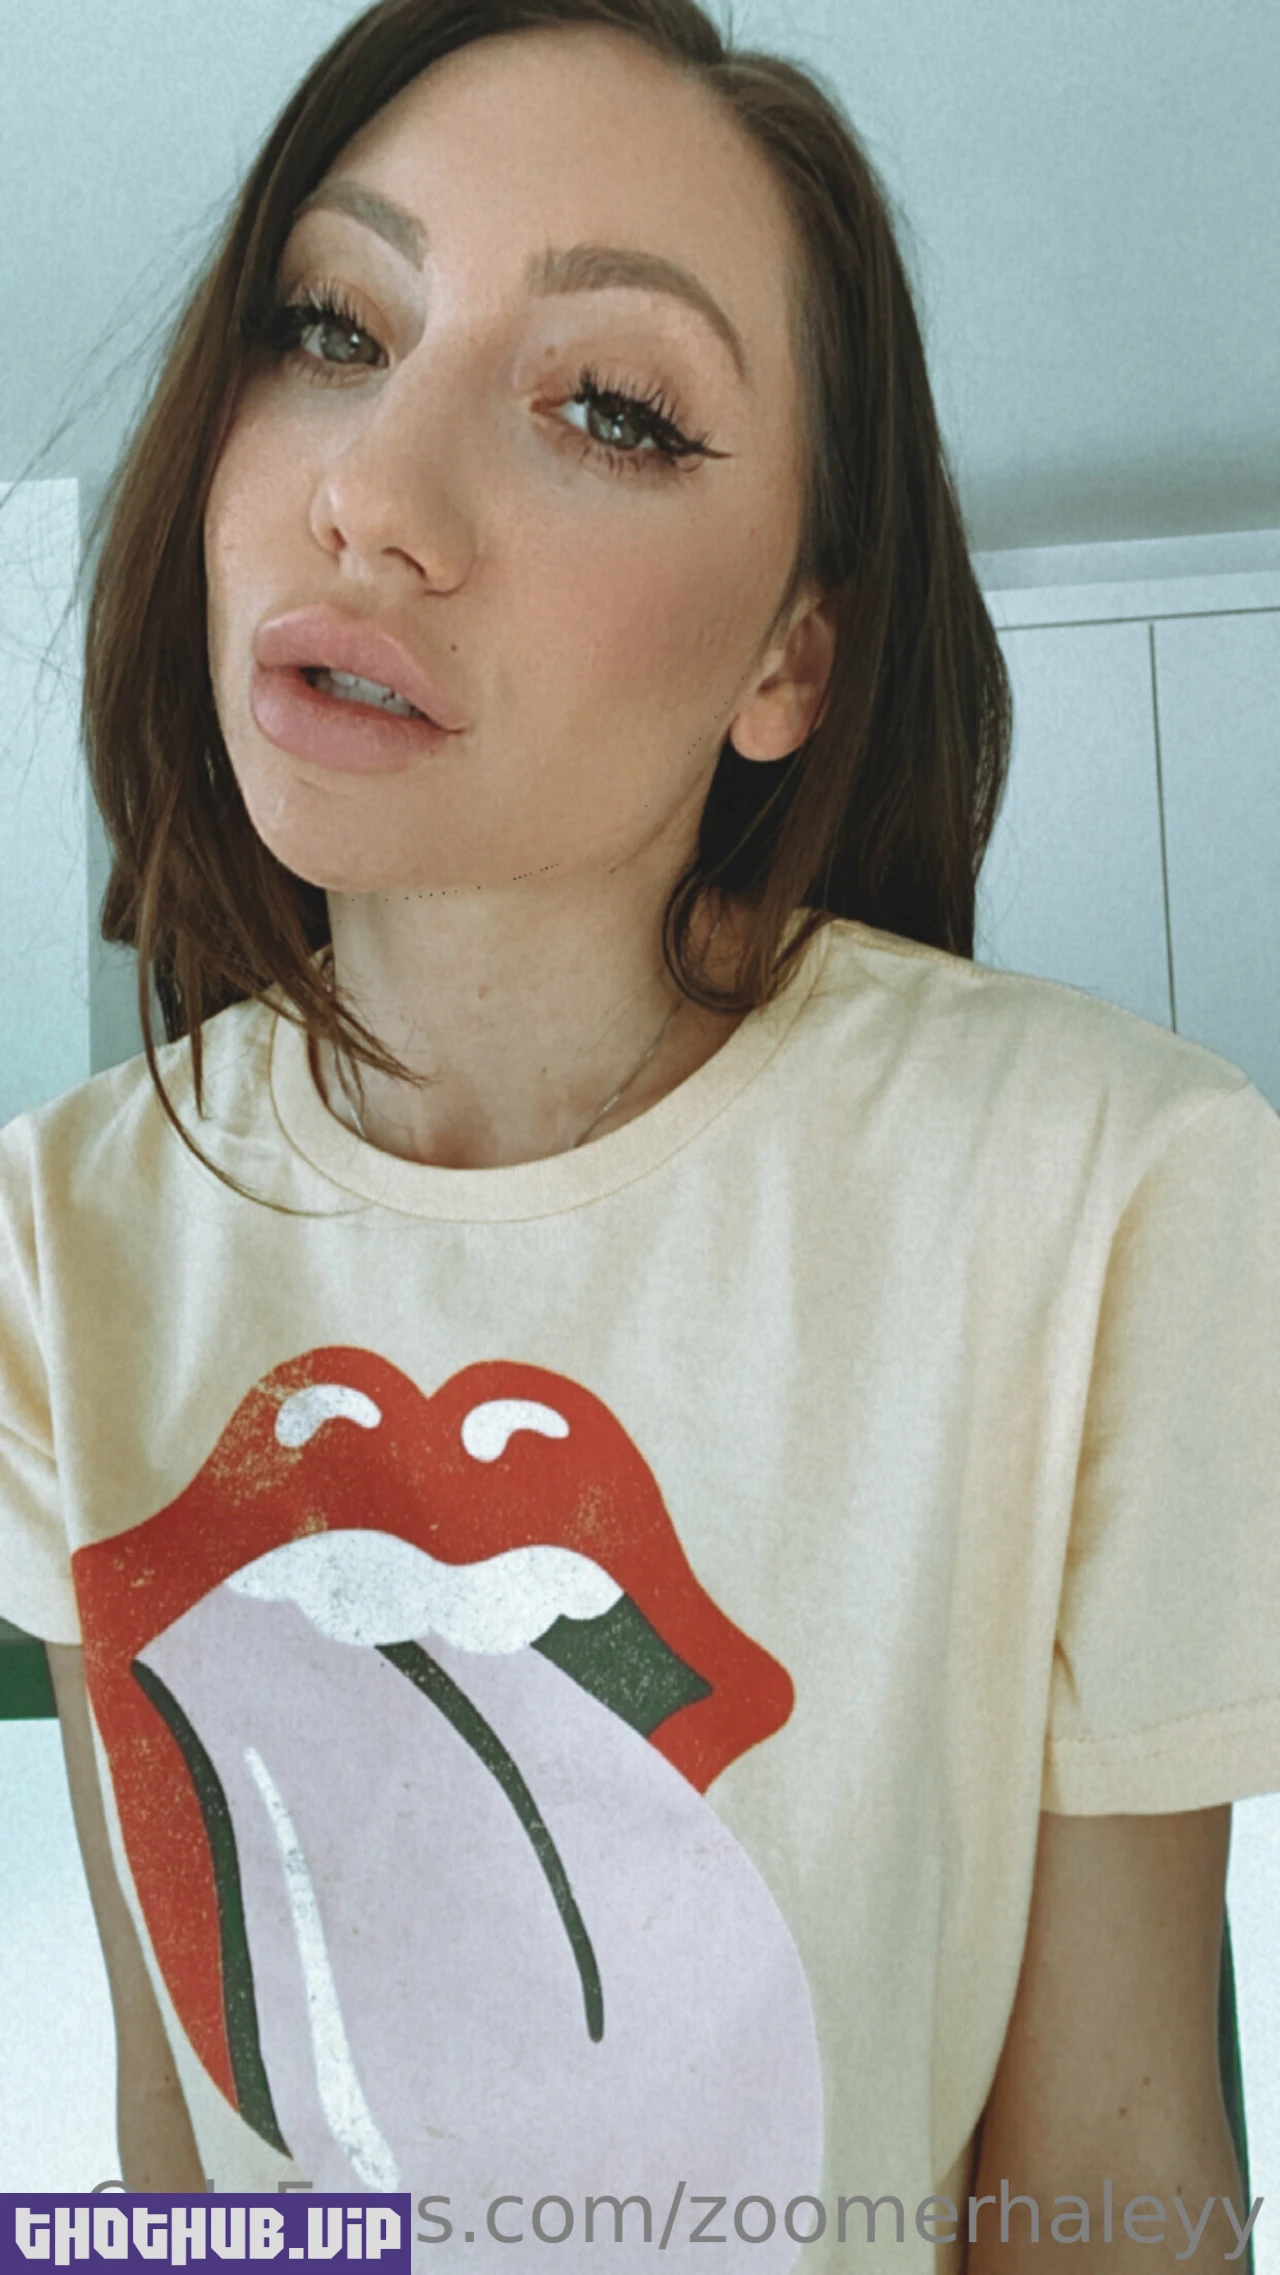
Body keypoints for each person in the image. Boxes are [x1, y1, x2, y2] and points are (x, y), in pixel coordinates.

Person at [1, 1, 1277, 2267]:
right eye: (331, 326)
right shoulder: (50, 1242)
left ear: (793, 658)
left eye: (610, 406)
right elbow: (183, 2156)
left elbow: (1112, 2179)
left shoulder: (1113, 1198)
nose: (372, 496)